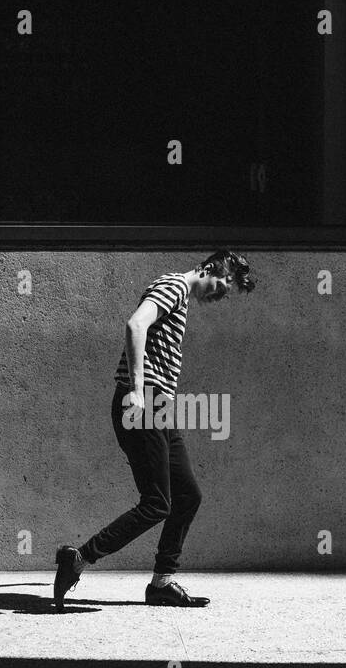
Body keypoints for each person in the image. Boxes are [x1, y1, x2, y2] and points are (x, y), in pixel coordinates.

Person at [53, 250, 256, 610]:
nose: (223, 294)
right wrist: (135, 389)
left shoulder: (181, 296)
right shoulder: (174, 285)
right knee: (156, 503)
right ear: (212, 267)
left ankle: (162, 582)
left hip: (160, 406)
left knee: (187, 495)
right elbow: (135, 325)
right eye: (225, 283)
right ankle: (79, 559)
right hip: (143, 401)